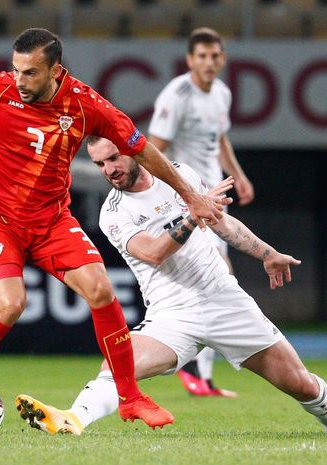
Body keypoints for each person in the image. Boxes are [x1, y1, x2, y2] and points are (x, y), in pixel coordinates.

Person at [0, 28, 224, 429]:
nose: (20, 81)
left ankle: (129, 396)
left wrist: (190, 195)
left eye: (31, 73)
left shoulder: (87, 105)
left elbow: (141, 148)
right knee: (10, 304)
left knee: (101, 289)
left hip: (52, 220)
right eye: (17, 69)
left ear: (56, 70)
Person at [14, 136, 327, 437]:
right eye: (100, 164)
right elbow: (155, 253)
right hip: (172, 313)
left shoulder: (178, 176)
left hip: (225, 300)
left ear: (131, 150)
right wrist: (192, 214)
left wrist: (267, 253)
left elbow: (223, 224)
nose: (109, 169)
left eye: (114, 158)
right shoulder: (113, 212)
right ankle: (72, 419)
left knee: (301, 384)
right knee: (117, 365)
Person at [147, 27, 253, 397]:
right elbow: (152, 149)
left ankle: (200, 376)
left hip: (215, 197)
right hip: (191, 198)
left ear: (222, 59)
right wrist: (176, 196)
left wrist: (237, 175)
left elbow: (220, 140)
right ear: (190, 60)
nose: (209, 62)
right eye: (202, 56)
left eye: (215, 56)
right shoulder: (176, 96)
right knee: (219, 275)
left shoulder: (221, 93)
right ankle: (192, 367)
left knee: (216, 278)